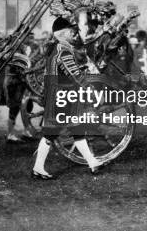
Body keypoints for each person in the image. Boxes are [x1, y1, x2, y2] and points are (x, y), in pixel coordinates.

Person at [31, 17, 101, 180]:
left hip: (60, 97)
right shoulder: (63, 50)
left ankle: (92, 162)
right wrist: (89, 86)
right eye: (71, 31)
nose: (75, 34)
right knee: (51, 134)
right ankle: (38, 167)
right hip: (60, 98)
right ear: (62, 33)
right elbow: (74, 74)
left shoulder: (56, 48)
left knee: (76, 131)